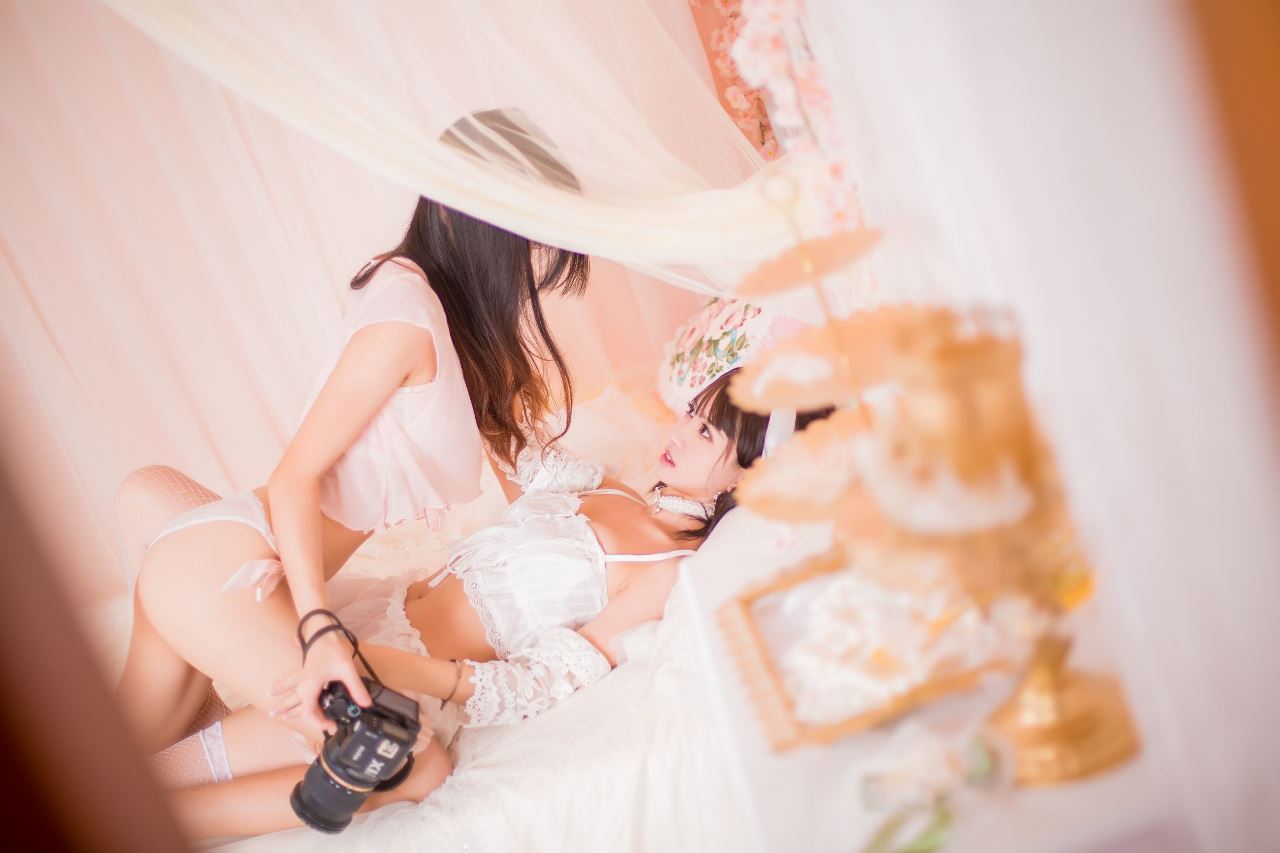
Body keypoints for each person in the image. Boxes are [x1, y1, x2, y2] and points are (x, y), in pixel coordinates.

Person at [113, 112, 590, 792]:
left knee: (107, 757)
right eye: (515, 246)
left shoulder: (436, 311)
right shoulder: (406, 316)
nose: (521, 272)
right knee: (416, 766)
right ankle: (138, 800)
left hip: (236, 569)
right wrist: (319, 630)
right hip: (227, 573)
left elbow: (521, 483)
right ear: (454, 214)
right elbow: (293, 477)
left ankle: (137, 780)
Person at [162, 367, 833, 839]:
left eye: (708, 434)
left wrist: (384, 664)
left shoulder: (665, 571)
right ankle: (201, 711)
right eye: (692, 413)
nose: (679, 432)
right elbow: (499, 434)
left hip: (397, 677)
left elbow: (540, 681)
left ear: (751, 475)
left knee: (160, 784)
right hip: (368, 610)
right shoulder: (611, 489)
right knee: (161, 503)